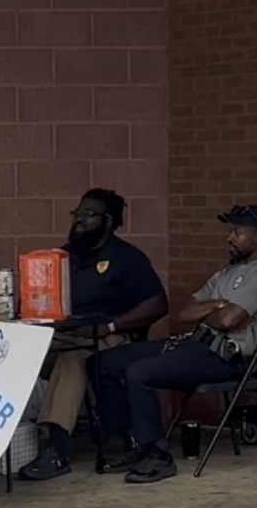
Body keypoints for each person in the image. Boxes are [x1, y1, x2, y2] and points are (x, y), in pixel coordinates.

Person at [87, 206, 257, 485]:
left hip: (221, 358)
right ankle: (126, 442)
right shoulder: (225, 274)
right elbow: (184, 313)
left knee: (139, 372)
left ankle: (156, 455)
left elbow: (228, 320)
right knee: (101, 362)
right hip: (191, 345)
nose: (230, 237)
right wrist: (216, 304)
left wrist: (215, 313)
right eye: (230, 231)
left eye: (238, 232)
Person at [16, 189, 168, 481]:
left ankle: (56, 449)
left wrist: (111, 326)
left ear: (108, 220)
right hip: (63, 333)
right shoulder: (63, 256)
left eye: (88, 214)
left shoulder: (127, 258)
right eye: (77, 214)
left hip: (110, 335)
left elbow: (158, 304)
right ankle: (0, 442)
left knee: (72, 361)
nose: (79, 220)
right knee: (16, 351)